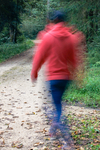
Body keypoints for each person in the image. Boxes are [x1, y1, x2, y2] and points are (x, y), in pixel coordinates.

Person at [31, 11, 85, 142]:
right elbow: (74, 59)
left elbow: (40, 56)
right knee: (58, 103)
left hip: (53, 78)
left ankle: (61, 130)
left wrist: (35, 72)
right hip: (66, 78)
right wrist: (78, 76)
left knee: (57, 105)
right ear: (64, 22)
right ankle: (55, 128)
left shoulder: (48, 37)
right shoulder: (71, 38)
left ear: (54, 21)